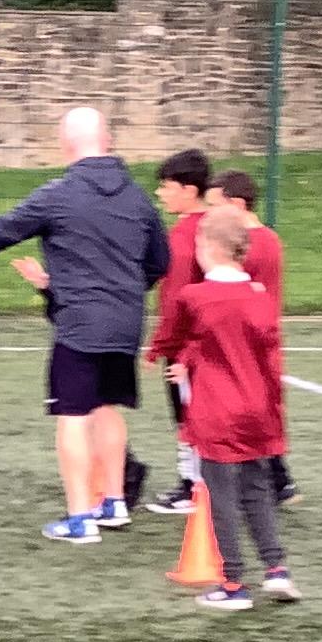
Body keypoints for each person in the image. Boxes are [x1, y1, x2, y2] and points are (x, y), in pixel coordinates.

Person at [0, 105, 170, 544]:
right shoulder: (138, 198)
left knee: (72, 415)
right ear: (108, 141)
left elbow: (8, 228)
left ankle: (80, 519)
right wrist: (123, 291)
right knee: (107, 406)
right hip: (126, 321)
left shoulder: (60, 193)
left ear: (65, 144)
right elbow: (159, 262)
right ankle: (114, 503)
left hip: (80, 324)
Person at [147, 201, 297, 611]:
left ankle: (233, 584)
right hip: (258, 410)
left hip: (216, 411)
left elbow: (175, 335)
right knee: (258, 489)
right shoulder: (260, 297)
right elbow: (261, 355)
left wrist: (162, 354)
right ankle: (276, 569)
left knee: (220, 496)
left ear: (209, 247)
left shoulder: (195, 296)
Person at [210, 169, 298, 507]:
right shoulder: (268, 239)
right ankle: (278, 480)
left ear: (237, 205)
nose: (210, 216)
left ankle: (272, 481)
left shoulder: (251, 246)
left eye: (216, 207)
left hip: (247, 341)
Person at [143, 148, 215, 516]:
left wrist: (161, 346)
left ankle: (193, 486)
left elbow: (177, 300)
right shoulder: (214, 226)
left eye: (166, 186)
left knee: (188, 417)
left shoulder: (186, 237)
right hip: (213, 342)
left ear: (189, 190)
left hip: (189, 347)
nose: (160, 193)